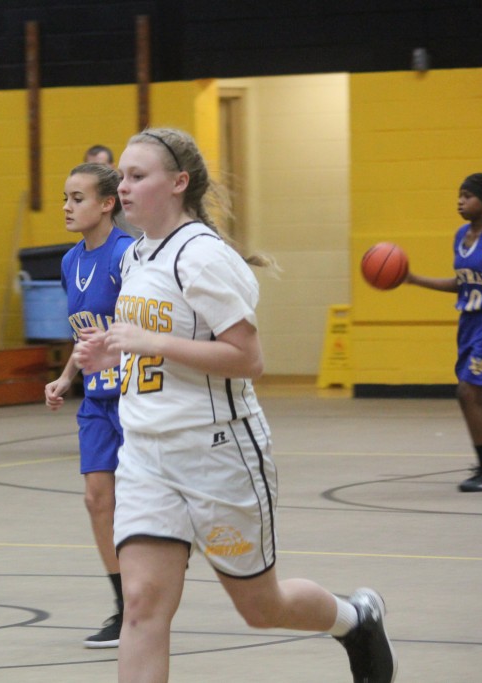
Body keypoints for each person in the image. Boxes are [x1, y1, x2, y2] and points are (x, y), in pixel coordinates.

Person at [72, 128, 396, 683]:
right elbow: (152, 345)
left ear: (178, 183)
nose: (122, 187)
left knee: (260, 607)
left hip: (217, 453)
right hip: (147, 456)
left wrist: (152, 344)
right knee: (144, 606)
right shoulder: (137, 257)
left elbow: (247, 359)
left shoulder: (202, 257)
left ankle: (355, 619)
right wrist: (111, 356)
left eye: (136, 176)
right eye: (121, 176)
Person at [44, 163, 133, 648]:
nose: (66, 206)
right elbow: (84, 332)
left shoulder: (128, 256)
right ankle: (123, 607)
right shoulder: (69, 261)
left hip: (139, 398)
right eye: (65, 197)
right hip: (97, 400)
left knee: (146, 503)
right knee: (97, 500)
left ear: (107, 203)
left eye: (78, 198)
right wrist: (65, 376)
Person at [403, 172, 482, 492]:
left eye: (468, 195)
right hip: (468, 324)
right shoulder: (460, 235)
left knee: (467, 392)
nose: (460, 200)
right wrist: (412, 278)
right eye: (459, 195)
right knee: (476, 395)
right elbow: (462, 284)